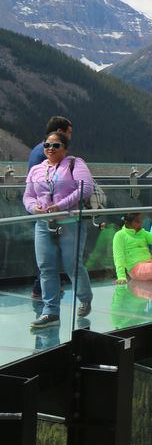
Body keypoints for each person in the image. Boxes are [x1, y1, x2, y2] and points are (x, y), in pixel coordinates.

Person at [22, 130, 94, 328]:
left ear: (65, 148)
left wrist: (60, 206)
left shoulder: (75, 163)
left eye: (56, 145)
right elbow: (28, 195)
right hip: (44, 224)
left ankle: (85, 298)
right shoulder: (36, 169)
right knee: (46, 267)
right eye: (47, 145)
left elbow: (86, 188)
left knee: (72, 265)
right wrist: (33, 208)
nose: (50, 149)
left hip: (71, 223)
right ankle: (51, 312)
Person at [27, 116, 73, 299]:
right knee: (48, 254)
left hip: (41, 210)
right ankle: (42, 289)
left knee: (46, 253)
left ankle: (45, 288)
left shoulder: (38, 149)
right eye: (69, 133)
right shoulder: (47, 155)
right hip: (47, 211)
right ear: (59, 132)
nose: (70, 137)